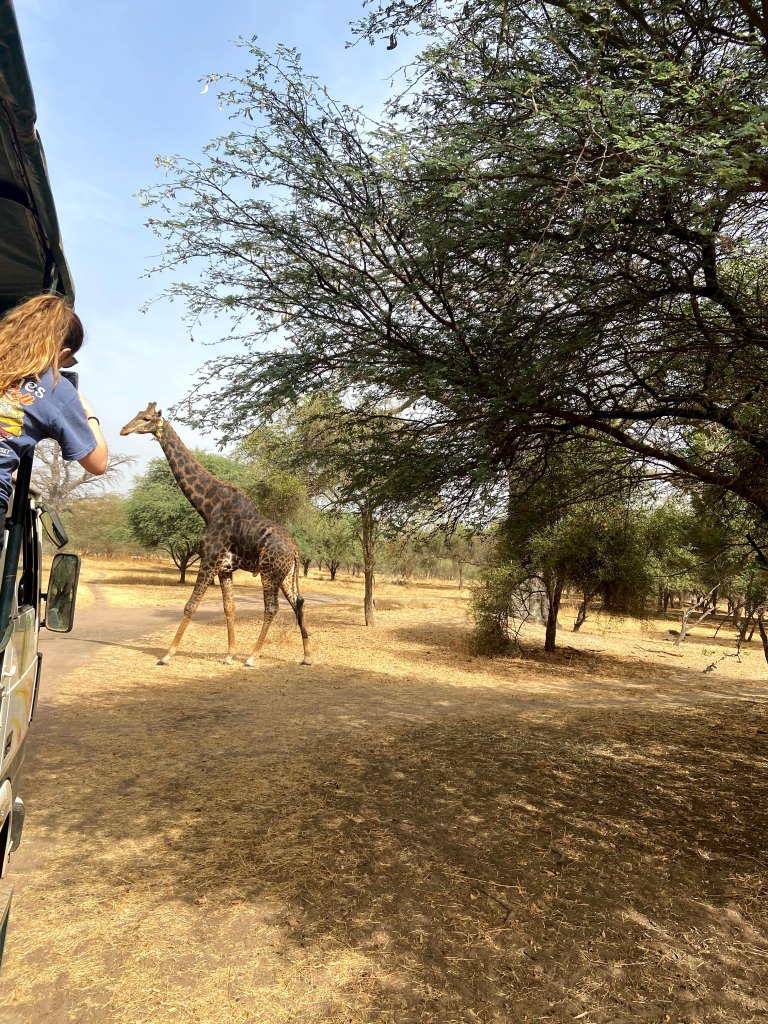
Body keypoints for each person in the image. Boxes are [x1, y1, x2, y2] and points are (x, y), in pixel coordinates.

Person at [0, 293, 108, 534]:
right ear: (61, 353)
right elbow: (98, 462)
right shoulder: (54, 386)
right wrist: (88, 413)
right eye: (65, 362)